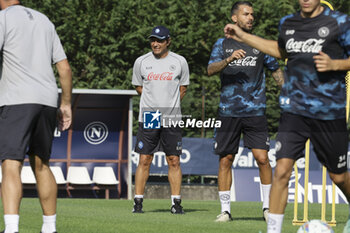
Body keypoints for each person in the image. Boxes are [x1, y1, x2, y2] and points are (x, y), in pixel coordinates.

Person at [224, 0, 350, 232]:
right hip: (294, 110)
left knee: (339, 176)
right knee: (282, 170)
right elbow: (280, 51)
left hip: (328, 111)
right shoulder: (288, 23)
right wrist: (242, 36)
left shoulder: (339, 22)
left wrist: (336, 64)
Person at [208, 1, 284, 223]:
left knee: (262, 158)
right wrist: (228, 60)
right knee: (226, 159)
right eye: (246, 14)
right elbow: (210, 69)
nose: (251, 18)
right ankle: (225, 211)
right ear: (235, 18)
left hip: (256, 111)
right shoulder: (222, 44)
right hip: (227, 112)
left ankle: (268, 209)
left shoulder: (260, 45)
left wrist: (290, 94)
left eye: (252, 14)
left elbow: (276, 72)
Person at [0, 1, 72, 233]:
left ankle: (11, 229)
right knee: (41, 165)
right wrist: (66, 104)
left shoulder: (3, 18)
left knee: (11, 163)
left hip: (16, 100)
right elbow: (64, 67)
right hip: (48, 100)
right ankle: (49, 228)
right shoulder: (44, 21)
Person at [132, 26, 190, 214]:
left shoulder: (180, 61)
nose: (155, 44)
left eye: (159, 40)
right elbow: (138, 86)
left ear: (168, 41)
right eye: (152, 40)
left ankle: (176, 203)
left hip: (171, 116)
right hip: (150, 116)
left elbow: (183, 88)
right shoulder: (141, 61)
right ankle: (138, 202)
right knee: (145, 159)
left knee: (173, 160)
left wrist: (169, 106)